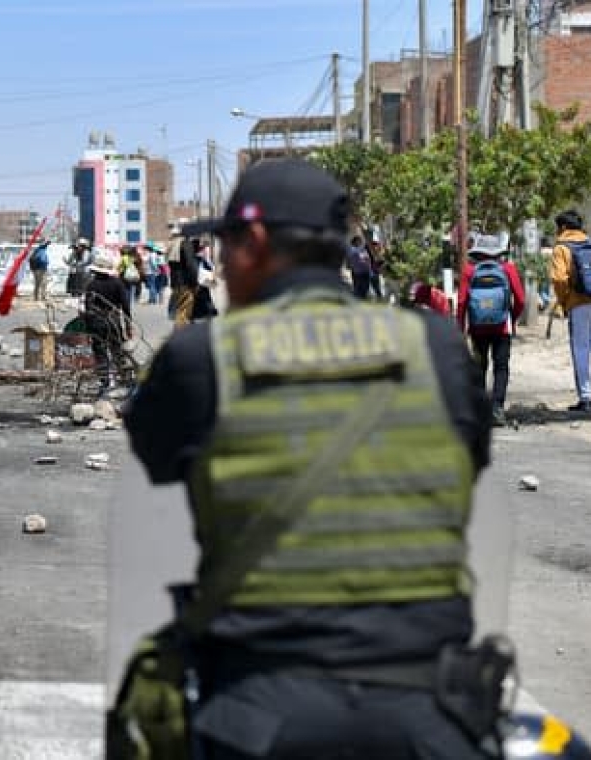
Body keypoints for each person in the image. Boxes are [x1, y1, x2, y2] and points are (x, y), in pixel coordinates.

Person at [122, 158, 493, 760]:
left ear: (257, 243)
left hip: (259, 712)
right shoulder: (436, 348)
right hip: (430, 713)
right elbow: (471, 463)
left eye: (225, 245)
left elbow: (156, 456)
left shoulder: (202, 358)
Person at [456, 233, 525, 427]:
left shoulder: (469, 271)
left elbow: (461, 302)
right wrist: (512, 317)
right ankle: (497, 409)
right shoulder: (508, 269)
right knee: (501, 368)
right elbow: (520, 299)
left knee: (479, 367)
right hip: (502, 327)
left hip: (477, 328)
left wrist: (460, 327)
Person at [548, 209, 591, 414]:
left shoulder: (561, 248)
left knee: (581, 349)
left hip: (579, 303)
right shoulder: (589, 242)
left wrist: (564, 300)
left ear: (563, 227)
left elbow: (559, 279)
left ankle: (586, 397)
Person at [83, 251, 132, 395]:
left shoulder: (91, 285)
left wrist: (88, 328)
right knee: (117, 351)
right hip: (114, 322)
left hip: (97, 322)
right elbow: (125, 307)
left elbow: (88, 307)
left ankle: (104, 384)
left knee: (100, 352)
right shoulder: (118, 284)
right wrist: (128, 326)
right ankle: (125, 381)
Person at [346, 234, 374, 299]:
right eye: (359, 241)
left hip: (363, 271)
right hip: (358, 272)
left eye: (360, 241)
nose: (361, 242)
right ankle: (359, 300)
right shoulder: (352, 249)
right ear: (355, 241)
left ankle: (361, 299)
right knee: (360, 288)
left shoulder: (362, 249)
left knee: (364, 288)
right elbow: (350, 260)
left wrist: (369, 269)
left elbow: (367, 259)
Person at [28, 238, 51, 302]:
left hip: (42, 269)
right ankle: (37, 297)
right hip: (39, 269)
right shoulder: (39, 249)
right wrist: (47, 242)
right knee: (39, 283)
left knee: (43, 283)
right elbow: (44, 245)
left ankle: (41, 297)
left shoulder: (41, 250)